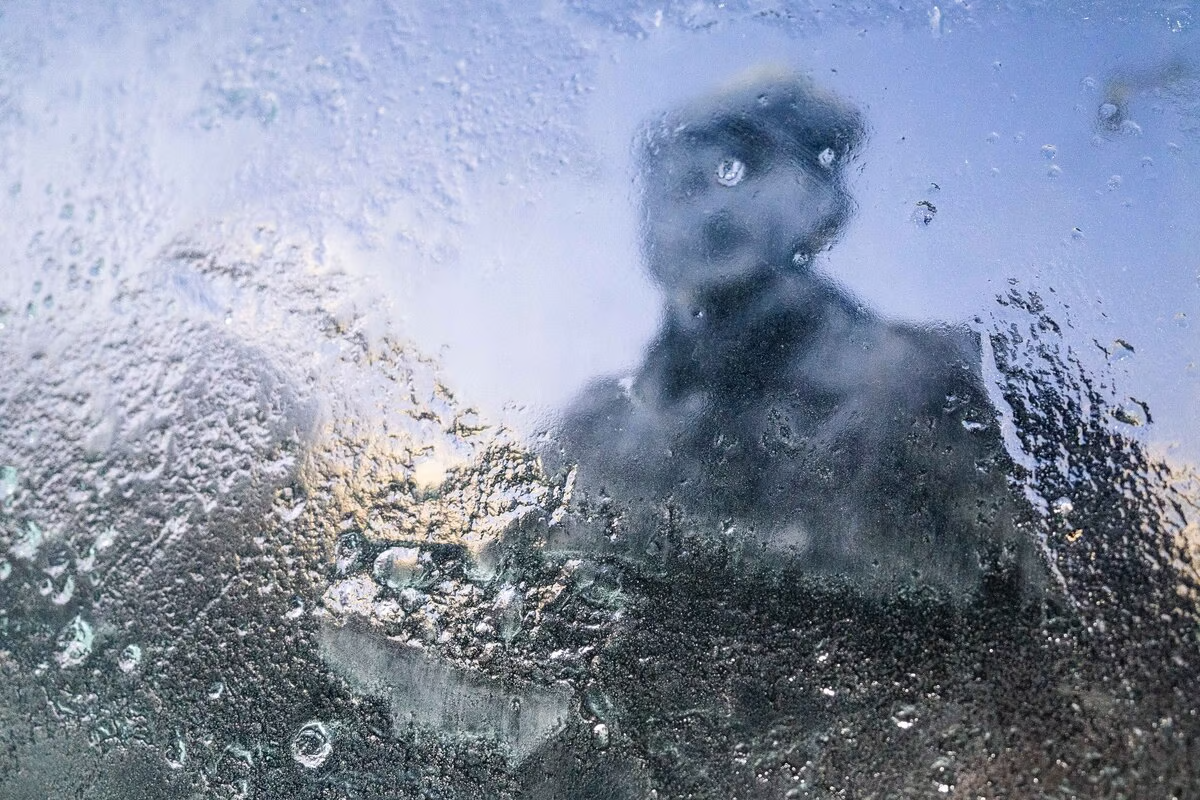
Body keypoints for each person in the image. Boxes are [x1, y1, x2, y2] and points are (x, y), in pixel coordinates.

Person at [542, 68, 1047, 601]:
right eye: (679, 184)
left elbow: (1021, 602)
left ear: (823, 201)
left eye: (741, 168)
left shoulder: (920, 382)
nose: (710, 208)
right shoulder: (593, 427)